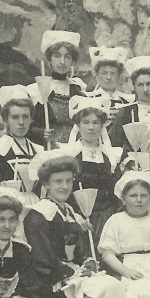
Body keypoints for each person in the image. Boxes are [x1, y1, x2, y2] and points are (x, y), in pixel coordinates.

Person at [24, 149, 148, 298]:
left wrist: (87, 261)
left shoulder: (69, 211)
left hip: (73, 273)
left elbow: (78, 251)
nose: (64, 187)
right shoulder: (38, 216)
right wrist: (72, 271)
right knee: (105, 290)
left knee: (113, 285)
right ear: (46, 184)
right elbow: (42, 260)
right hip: (50, 281)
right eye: (57, 182)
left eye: (68, 181)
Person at [58, 96, 123, 250]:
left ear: (102, 126)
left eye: (96, 123)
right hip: (78, 216)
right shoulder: (69, 153)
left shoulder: (111, 156)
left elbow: (116, 189)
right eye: (86, 122)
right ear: (78, 125)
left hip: (106, 216)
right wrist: (75, 216)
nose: (91, 128)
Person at [27, 30, 87, 147]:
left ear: (72, 61)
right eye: (57, 56)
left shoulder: (78, 88)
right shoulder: (38, 89)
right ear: (50, 59)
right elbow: (25, 125)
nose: (62, 62)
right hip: (48, 149)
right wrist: (40, 133)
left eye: (67, 57)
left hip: (75, 148)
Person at [0, 85, 44, 191]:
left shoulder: (38, 149)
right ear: (6, 120)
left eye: (25, 117)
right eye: (15, 117)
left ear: (30, 119)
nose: (21, 122)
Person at [108, 55, 150, 175]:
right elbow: (113, 143)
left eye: (149, 84)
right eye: (140, 85)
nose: (145, 89)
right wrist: (127, 161)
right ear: (134, 86)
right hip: (131, 166)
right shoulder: (126, 112)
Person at [85, 46, 135, 128]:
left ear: (118, 77)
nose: (108, 77)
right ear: (97, 76)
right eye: (104, 73)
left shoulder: (127, 101)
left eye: (112, 73)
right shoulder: (87, 98)